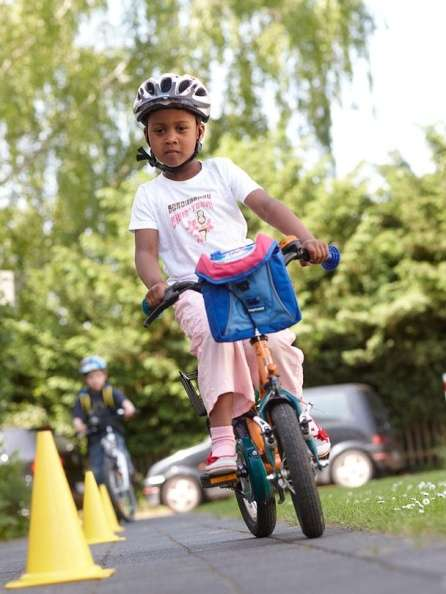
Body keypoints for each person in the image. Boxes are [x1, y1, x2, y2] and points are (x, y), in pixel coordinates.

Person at [129, 72, 330, 476]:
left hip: (247, 276)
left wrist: (306, 239)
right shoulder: (149, 195)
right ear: (147, 138)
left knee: (278, 341)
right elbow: (145, 252)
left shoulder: (221, 171)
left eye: (181, 128)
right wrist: (156, 285)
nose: (171, 138)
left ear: (199, 130)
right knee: (213, 332)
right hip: (195, 288)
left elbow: (268, 206)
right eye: (159, 130)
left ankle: (298, 411)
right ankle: (221, 438)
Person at [73, 355, 136, 484]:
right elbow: (77, 416)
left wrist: (129, 409)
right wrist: (79, 425)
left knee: (121, 452)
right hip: (94, 435)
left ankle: (127, 473)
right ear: (86, 379)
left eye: (97, 375)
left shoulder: (111, 391)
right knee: (97, 470)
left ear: (104, 375)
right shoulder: (83, 397)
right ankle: (106, 490)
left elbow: (126, 403)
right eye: (90, 377)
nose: (94, 380)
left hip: (113, 430)